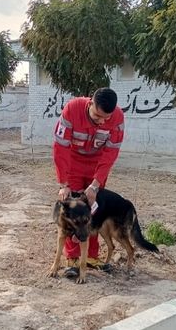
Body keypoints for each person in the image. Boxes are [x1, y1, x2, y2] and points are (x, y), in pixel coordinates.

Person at [53, 87, 125, 278]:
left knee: (93, 208)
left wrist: (95, 184)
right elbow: (60, 149)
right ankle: (73, 258)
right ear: (90, 103)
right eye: (97, 117)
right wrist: (63, 183)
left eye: (106, 119)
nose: (101, 122)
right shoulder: (72, 110)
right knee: (74, 209)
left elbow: (111, 154)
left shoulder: (118, 118)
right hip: (73, 163)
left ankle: (91, 256)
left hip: (97, 166)